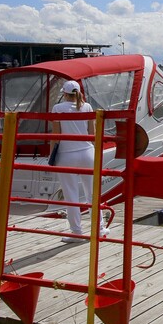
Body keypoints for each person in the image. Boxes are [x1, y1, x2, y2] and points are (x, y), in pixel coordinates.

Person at [51, 80, 109, 242]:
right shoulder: (87, 107)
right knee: (92, 193)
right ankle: (100, 229)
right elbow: (92, 133)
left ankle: (76, 232)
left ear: (64, 93)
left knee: (71, 195)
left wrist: (51, 158)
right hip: (87, 153)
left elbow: (56, 136)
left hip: (67, 155)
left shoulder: (57, 109)